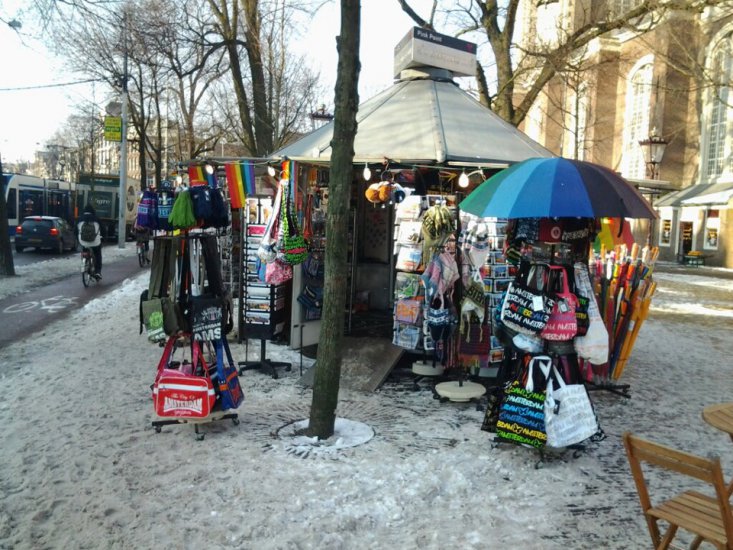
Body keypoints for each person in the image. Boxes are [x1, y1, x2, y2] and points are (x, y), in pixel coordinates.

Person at [77, 204, 103, 279]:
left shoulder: (80, 219)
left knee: (84, 249)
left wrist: (78, 239)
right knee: (98, 254)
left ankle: (84, 262)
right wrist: (103, 238)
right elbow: (103, 230)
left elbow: (75, 231)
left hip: (83, 241)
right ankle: (98, 271)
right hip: (95, 242)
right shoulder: (97, 219)